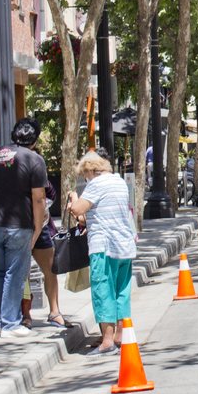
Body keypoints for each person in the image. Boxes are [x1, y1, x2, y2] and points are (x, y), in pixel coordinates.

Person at [67, 151, 137, 355]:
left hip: (104, 246)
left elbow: (78, 209)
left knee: (103, 291)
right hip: (124, 245)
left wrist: (73, 198)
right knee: (121, 291)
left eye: (84, 175)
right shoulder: (119, 181)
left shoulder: (96, 184)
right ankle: (120, 336)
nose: (85, 179)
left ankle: (107, 342)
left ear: (90, 170)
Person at [0, 117, 47, 338]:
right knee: (15, 274)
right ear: (35, 139)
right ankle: (10, 323)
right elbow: (39, 198)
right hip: (18, 224)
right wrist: (37, 227)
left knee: (0, 273)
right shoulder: (34, 159)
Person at [22, 175, 68, 329]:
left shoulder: (37, 170)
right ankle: (25, 313)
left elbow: (51, 193)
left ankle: (54, 311)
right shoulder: (9, 170)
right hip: (19, 225)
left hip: (41, 225)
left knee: (50, 269)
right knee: (23, 273)